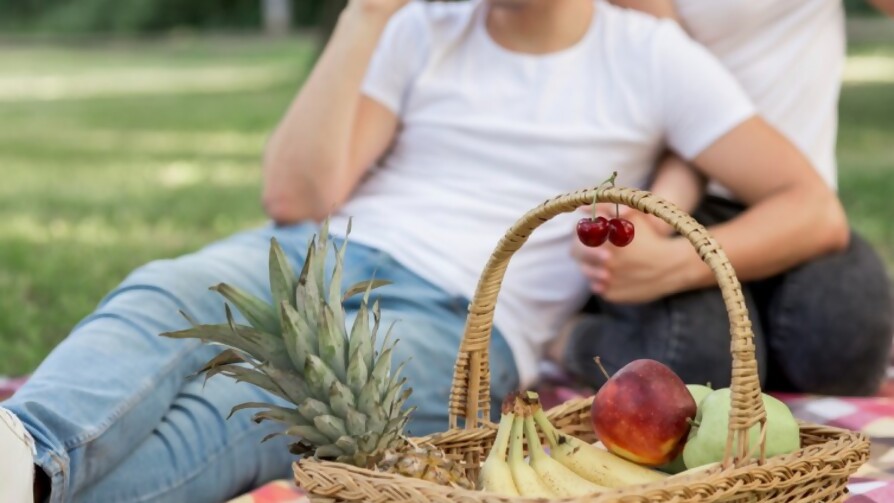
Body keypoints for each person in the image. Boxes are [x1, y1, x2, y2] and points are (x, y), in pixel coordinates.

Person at [0, 0, 852, 501]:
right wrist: (367, 13)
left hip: (463, 320)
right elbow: (297, 197)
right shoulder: (420, 29)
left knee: (256, 410)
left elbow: (814, 209)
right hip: (326, 247)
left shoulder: (651, 56)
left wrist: (676, 260)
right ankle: (25, 454)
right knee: (169, 289)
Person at [550, 0, 894, 397]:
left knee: (846, 347)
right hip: (683, 199)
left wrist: (671, 264)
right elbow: (691, 96)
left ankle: (759, 352)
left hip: (795, 202)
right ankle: (570, 339)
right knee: (698, 373)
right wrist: (659, 220)